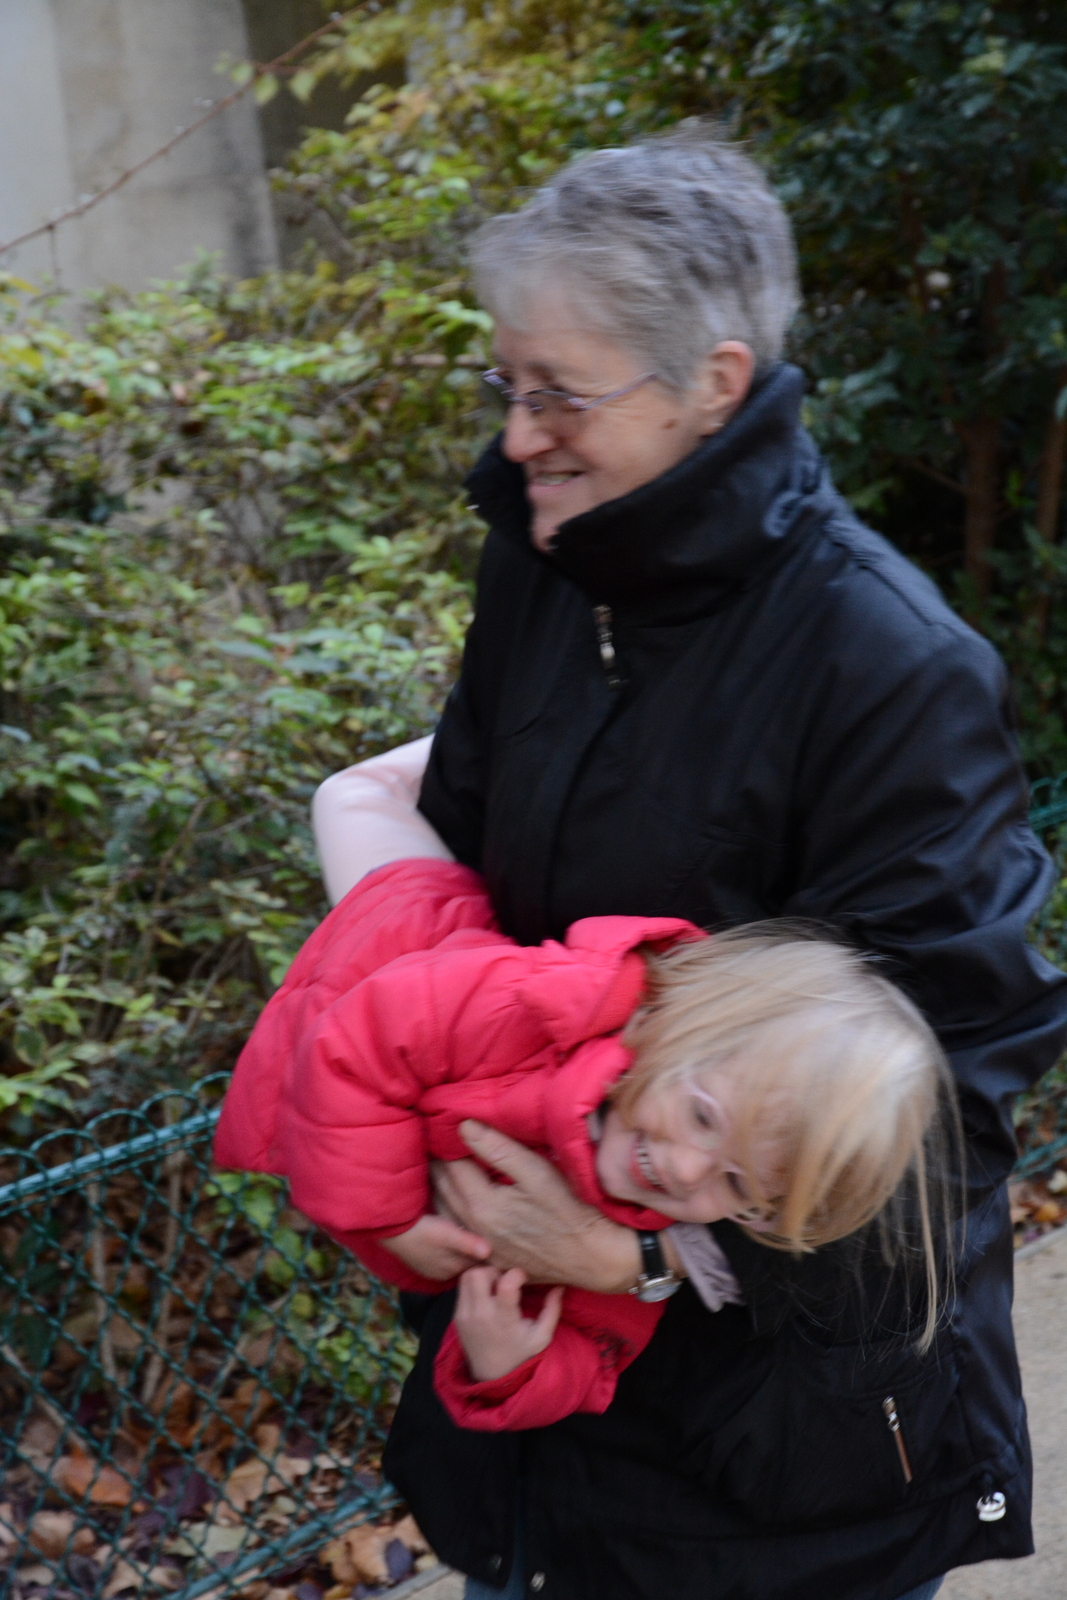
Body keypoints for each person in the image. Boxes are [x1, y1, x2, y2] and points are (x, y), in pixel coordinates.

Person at [310, 135, 1067, 1600]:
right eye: (505, 385)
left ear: (711, 384)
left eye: (559, 393)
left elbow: (944, 1117)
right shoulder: (542, 569)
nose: (519, 435)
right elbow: (458, 899)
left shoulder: (884, 670)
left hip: (780, 1469)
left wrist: (650, 1258)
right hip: (541, 1422)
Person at [215, 792, 955, 1433]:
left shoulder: (635, 1236)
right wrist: (393, 1220)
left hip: (379, 1101)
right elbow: (355, 1042)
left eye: (735, 1183)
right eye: (701, 1116)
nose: (685, 1171)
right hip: (382, 940)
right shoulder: (542, 1000)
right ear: (673, 1024)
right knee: (354, 795)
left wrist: (510, 1365)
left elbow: (596, 1350)